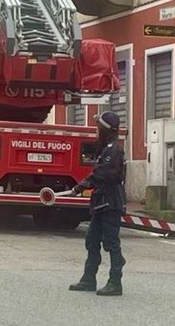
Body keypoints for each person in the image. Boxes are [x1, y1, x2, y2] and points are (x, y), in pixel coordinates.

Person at [68, 111, 126, 297]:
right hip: (100, 202)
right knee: (92, 240)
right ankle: (88, 279)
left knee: (111, 242)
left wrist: (79, 187)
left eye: (98, 126)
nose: (96, 130)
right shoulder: (105, 148)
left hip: (110, 202)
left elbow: (102, 174)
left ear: (105, 129)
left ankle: (115, 281)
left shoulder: (113, 150)